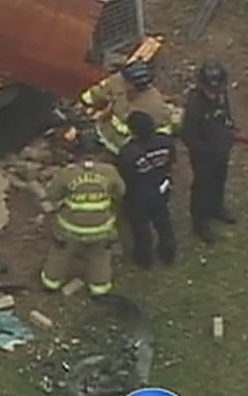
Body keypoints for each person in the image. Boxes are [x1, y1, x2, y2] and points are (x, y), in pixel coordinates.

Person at [40, 129, 126, 297]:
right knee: (100, 255)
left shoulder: (68, 173)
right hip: (101, 228)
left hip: (70, 228)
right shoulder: (109, 172)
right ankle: (100, 288)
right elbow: (121, 192)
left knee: (60, 252)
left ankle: (51, 282)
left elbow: (52, 195)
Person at [180, 62, 237, 244]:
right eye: (211, 90)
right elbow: (188, 135)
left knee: (220, 179)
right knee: (202, 187)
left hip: (221, 150)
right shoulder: (195, 106)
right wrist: (204, 152)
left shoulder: (221, 96)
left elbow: (226, 116)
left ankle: (216, 207)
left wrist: (229, 134)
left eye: (219, 89)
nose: (215, 94)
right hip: (203, 156)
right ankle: (200, 223)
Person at [116, 111, 178, 268]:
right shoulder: (166, 142)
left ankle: (144, 259)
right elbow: (171, 161)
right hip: (161, 187)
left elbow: (124, 175)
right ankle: (168, 252)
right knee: (163, 221)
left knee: (141, 227)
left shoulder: (128, 152)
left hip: (139, 194)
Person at [78, 60, 178, 155]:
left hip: (124, 147)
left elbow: (161, 133)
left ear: (138, 86)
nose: (122, 83)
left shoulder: (155, 105)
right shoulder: (118, 80)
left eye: (126, 82)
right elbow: (100, 91)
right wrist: (83, 101)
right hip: (103, 132)